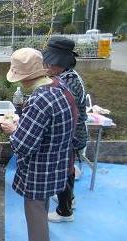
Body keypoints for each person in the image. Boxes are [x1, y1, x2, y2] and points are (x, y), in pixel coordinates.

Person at [1, 48, 77, 241]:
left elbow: (22, 146)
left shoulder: (40, 99)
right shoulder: (60, 87)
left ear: (24, 78)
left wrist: (12, 129)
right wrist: (24, 124)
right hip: (58, 159)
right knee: (41, 204)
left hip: (41, 166)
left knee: (34, 206)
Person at [42, 36, 88, 223]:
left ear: (62, 63)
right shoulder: (65, 76)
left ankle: (65, 211)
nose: (48, 66)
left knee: (65, 170)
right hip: (70, 133)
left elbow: (61, 110)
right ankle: (68, 199)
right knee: (65, 170)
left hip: (72, 135)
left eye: (52, 63)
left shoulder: (69, 81)